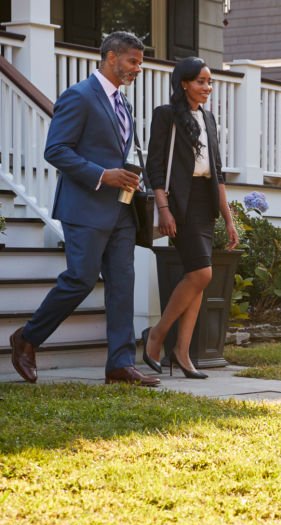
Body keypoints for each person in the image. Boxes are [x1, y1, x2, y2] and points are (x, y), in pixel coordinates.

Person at [8, 32, 158, 386]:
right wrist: (102, 175)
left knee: (123, 284)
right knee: (80, 279)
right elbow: (56, 150)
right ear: (110, 57)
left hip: (121, 210)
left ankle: (120, 365)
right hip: (85, 207)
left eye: (140, 62)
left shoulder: (124, 104)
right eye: (132, 61)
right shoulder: (78, 96)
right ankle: (27, 338)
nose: (138, 68)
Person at [142, 57, 238, 379]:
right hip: (179, 204)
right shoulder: (166, 115)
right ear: (184, 83)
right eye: (200, 81)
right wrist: (164, 207)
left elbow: (218, 173)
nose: (207, 87)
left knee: (198, 280)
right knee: (201, 273)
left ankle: (182, 352)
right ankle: (157, 335)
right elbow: (154, 166)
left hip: (205, 203)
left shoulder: (208, 119)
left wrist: (228, 218)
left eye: (209, 82)